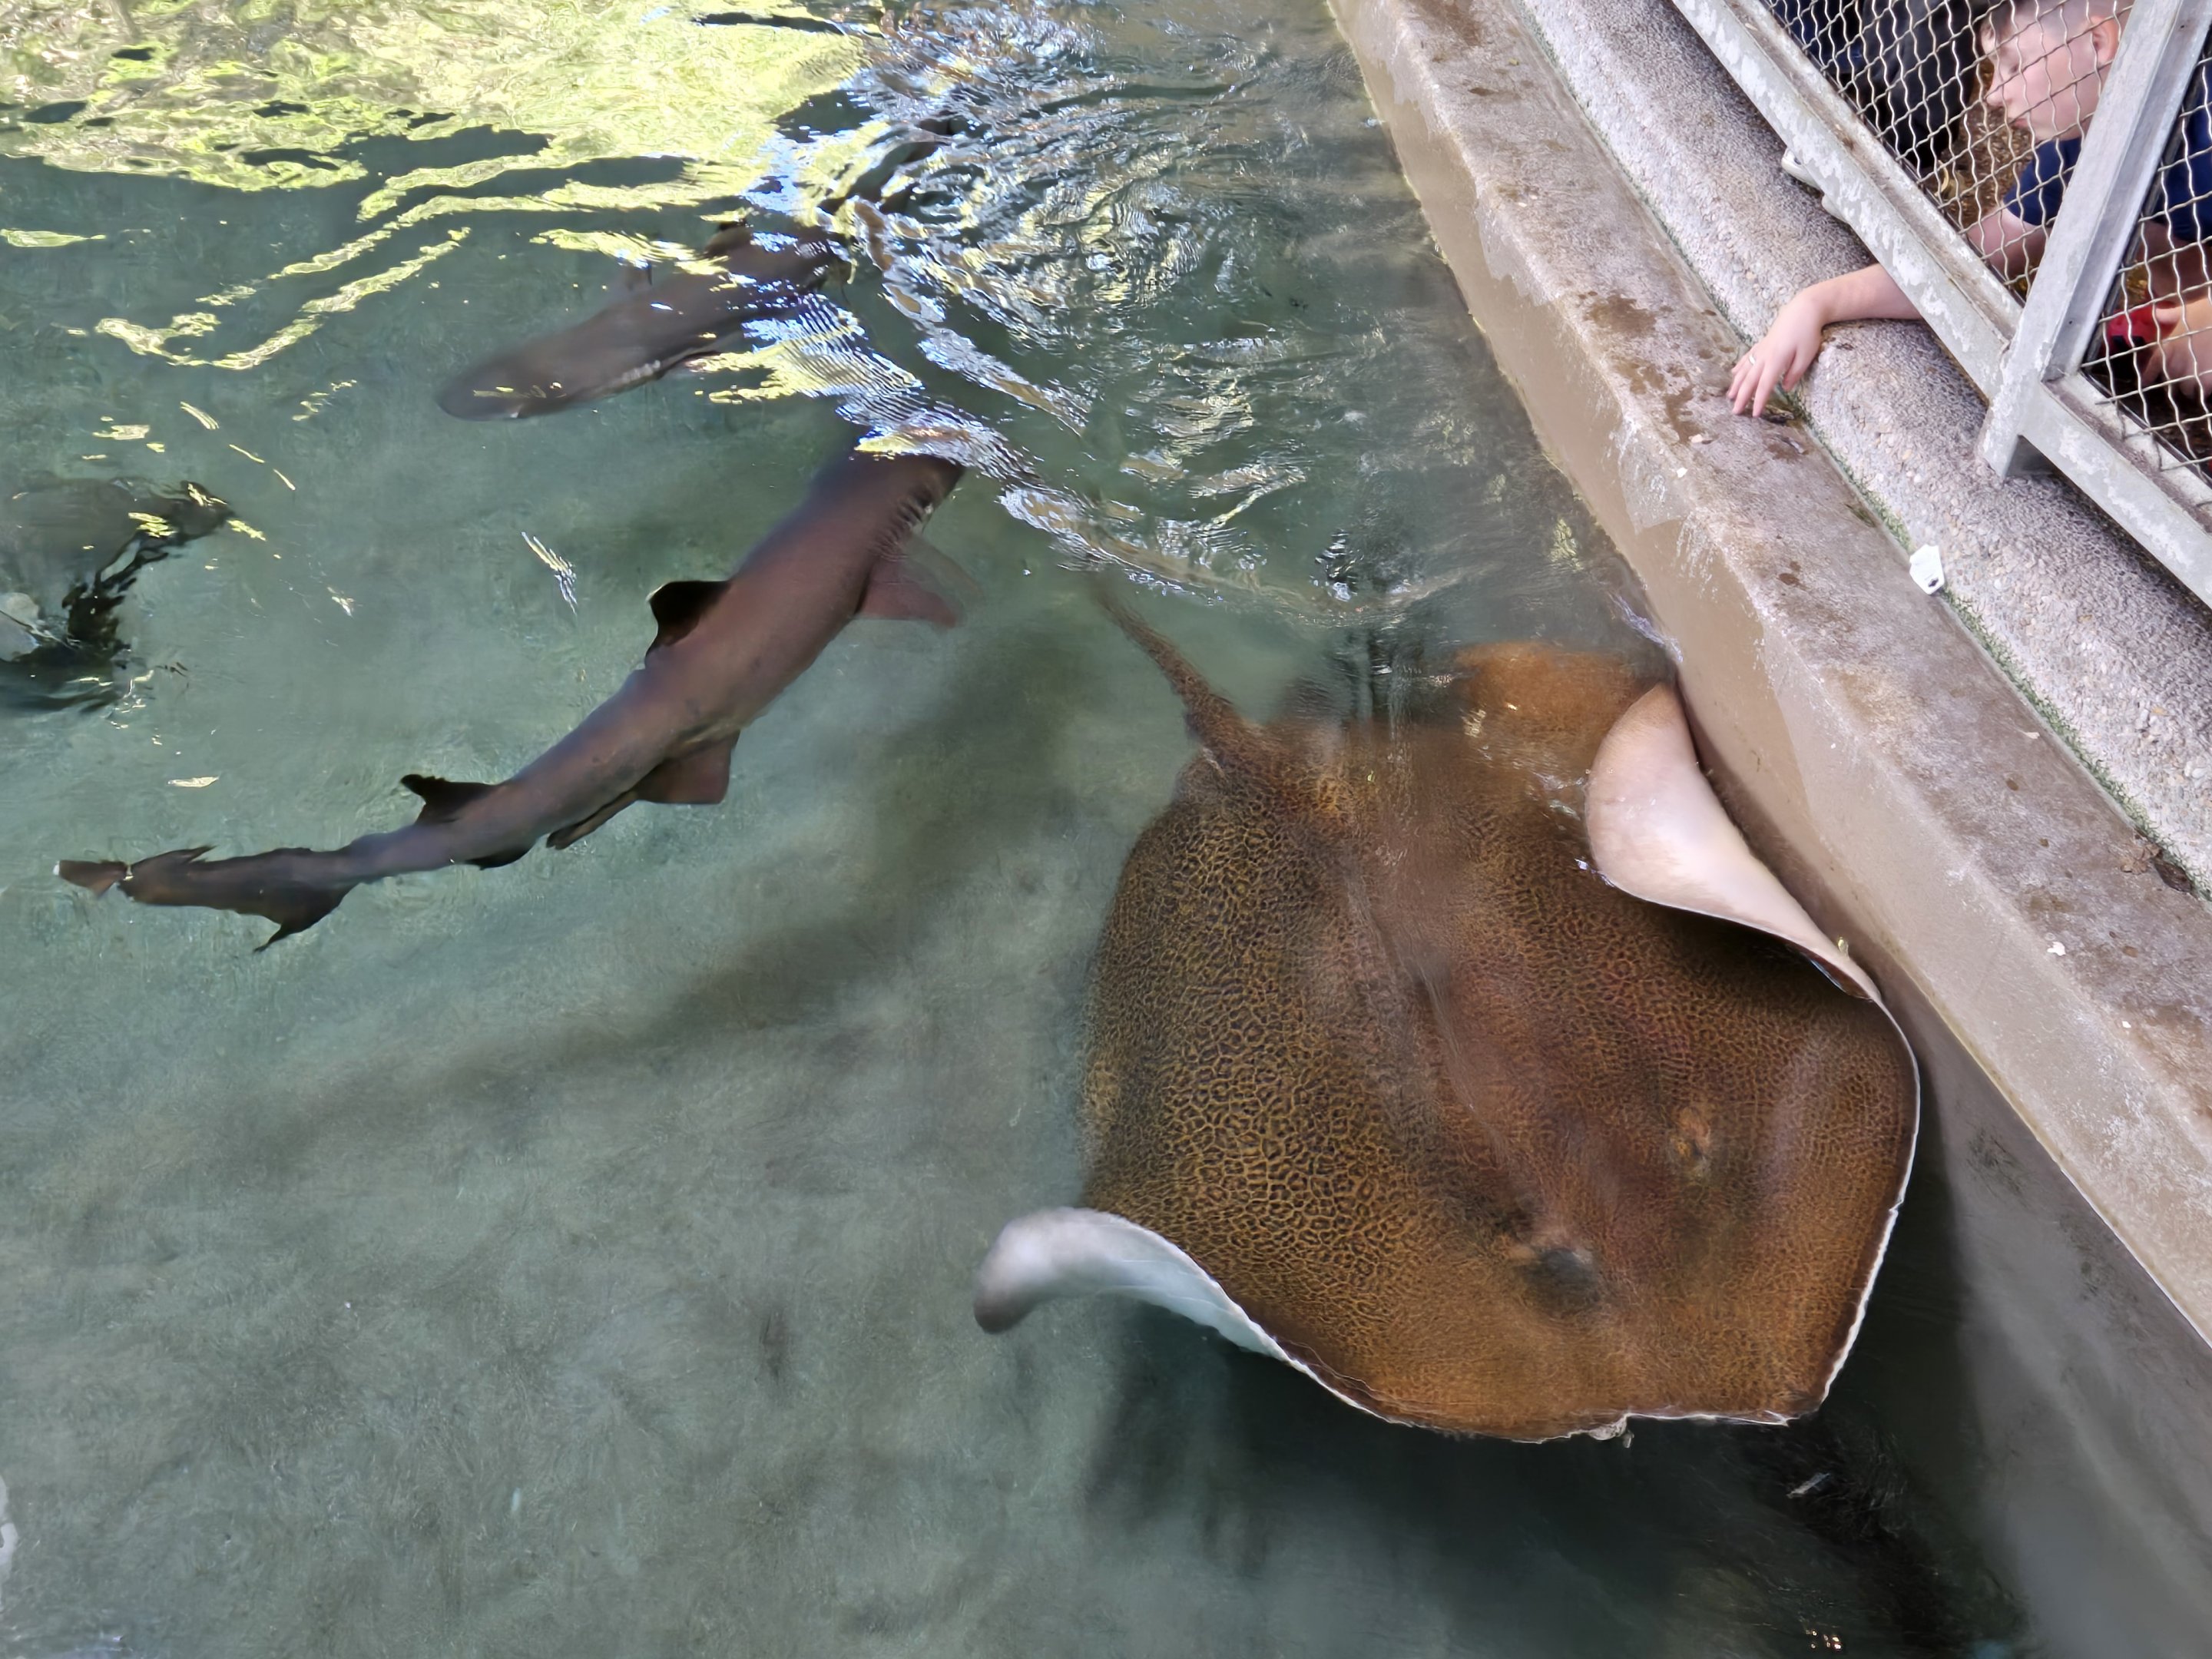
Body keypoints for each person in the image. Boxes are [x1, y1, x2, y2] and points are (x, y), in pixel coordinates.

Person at [1730, 0, 2212, 416]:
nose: (1995, 96)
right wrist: (1814, 304)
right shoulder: (2080, 139)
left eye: (2014, 64)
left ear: (2097, 43)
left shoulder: (2202, 110)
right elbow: (1975, 260)